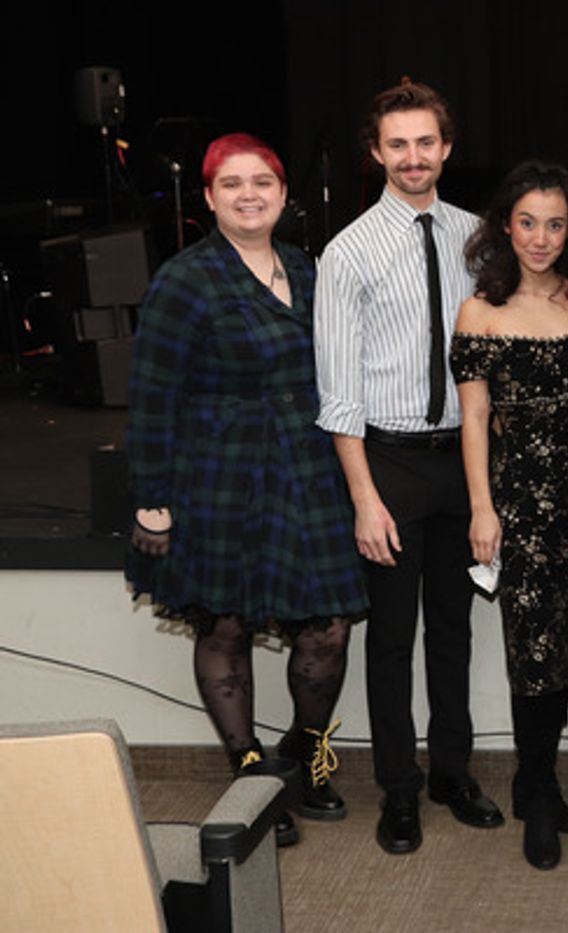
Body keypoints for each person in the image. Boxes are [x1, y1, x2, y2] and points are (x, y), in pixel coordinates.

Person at [127, 133, 367, 847]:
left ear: (284, 194)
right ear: (208, 197)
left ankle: (306, 750)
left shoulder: (309, 268)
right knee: (225, 623)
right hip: (218, 472)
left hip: (308, 468)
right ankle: (251, 768)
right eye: (231, 184)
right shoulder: (183, 279)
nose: (249, 194)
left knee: (327, 625)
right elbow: (150, 395)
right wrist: (151, 498)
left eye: (262, 181)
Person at [315, 79, 501, 856]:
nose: (414, 156)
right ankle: (398, 788)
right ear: (376, 153)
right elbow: (338, 392)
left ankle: (450, 773)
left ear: (446, 148)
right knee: (391, 639)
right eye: (399, 144)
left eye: (427, 142)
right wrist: (364, 499)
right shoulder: (347, 250)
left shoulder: (477, 238)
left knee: (453, 632)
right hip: (386, 464)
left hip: (460, 463)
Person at [450, 161, 568, 870]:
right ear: (504, 226)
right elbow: (474, 417)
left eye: (554, 223)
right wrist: (483, 508)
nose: (540, 237)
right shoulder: (481, 310)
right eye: (527, 222)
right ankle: (536, 792)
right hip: (518, 503)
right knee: (533, 655)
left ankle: (532, 779)